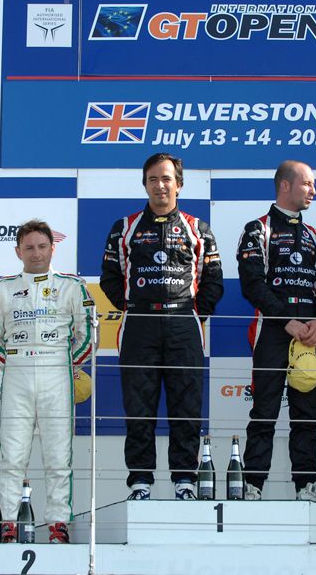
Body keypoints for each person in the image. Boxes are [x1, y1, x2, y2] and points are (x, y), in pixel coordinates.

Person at [101, 152, 223, 500]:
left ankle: (185, 480)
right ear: (145, 184)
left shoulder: (198, 229)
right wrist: (133, 306)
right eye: (153, 179)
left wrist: (194, 313)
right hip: (139, 324)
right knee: (138, 406)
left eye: (166, 178)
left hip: (184, 322)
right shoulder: (124, 228)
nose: (160, 185)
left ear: (179, 184)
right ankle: (141, 481)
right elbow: (110, 277)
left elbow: (213, 281)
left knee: (187, 405)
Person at [0, 220, 95, 544]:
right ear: (18, 251)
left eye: (42, 246)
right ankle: (7, 522)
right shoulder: (2, 289)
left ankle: (58, 523)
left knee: (59, 456)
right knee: (12, 455)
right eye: (29, 247)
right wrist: (14, 363)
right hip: (16, 371)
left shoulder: (72, 286)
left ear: (52, 249)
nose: (36, 253)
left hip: (57, 373)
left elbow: (88, 334)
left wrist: (65, 365)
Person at [236, 160, 316, 501]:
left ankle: (306, 486)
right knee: (264, 411)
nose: (313, 191)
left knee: (307, 414)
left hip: (310, 334)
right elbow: (252, 284)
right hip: (273, 330)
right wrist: (284, 320)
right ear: (285, 186)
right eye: (307, 183)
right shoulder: (257, 230)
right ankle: (253, 485)